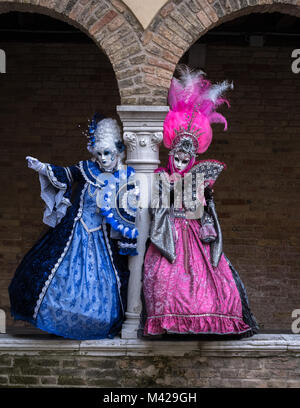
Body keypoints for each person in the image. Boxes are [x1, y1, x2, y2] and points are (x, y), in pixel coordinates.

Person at [142, 67, 259, 338]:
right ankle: (170, 322)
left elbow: (203, 214)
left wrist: (199, 197)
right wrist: (171, 192)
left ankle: (206, 321)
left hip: (195, 235)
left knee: (212, 280)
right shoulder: (161, 176)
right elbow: (156, 207)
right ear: (171, 155)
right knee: (164, 279)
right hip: (170, 235)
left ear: (193, 160)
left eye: (186, 161)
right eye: (178, 159)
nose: (181, 164)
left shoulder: (201, 181)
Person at [9, 115, 139, 340]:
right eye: (99, 153)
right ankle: (62, 322)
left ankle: (94, 324)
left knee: (107, 283)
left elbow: (130, 212)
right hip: (75, 232)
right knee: (56, 275)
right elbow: (65, 174)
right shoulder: (86, 168)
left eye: (107, 153)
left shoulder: (124, 178)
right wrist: (42, 167)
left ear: (117, 152)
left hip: (103, 239)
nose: (103, 158)